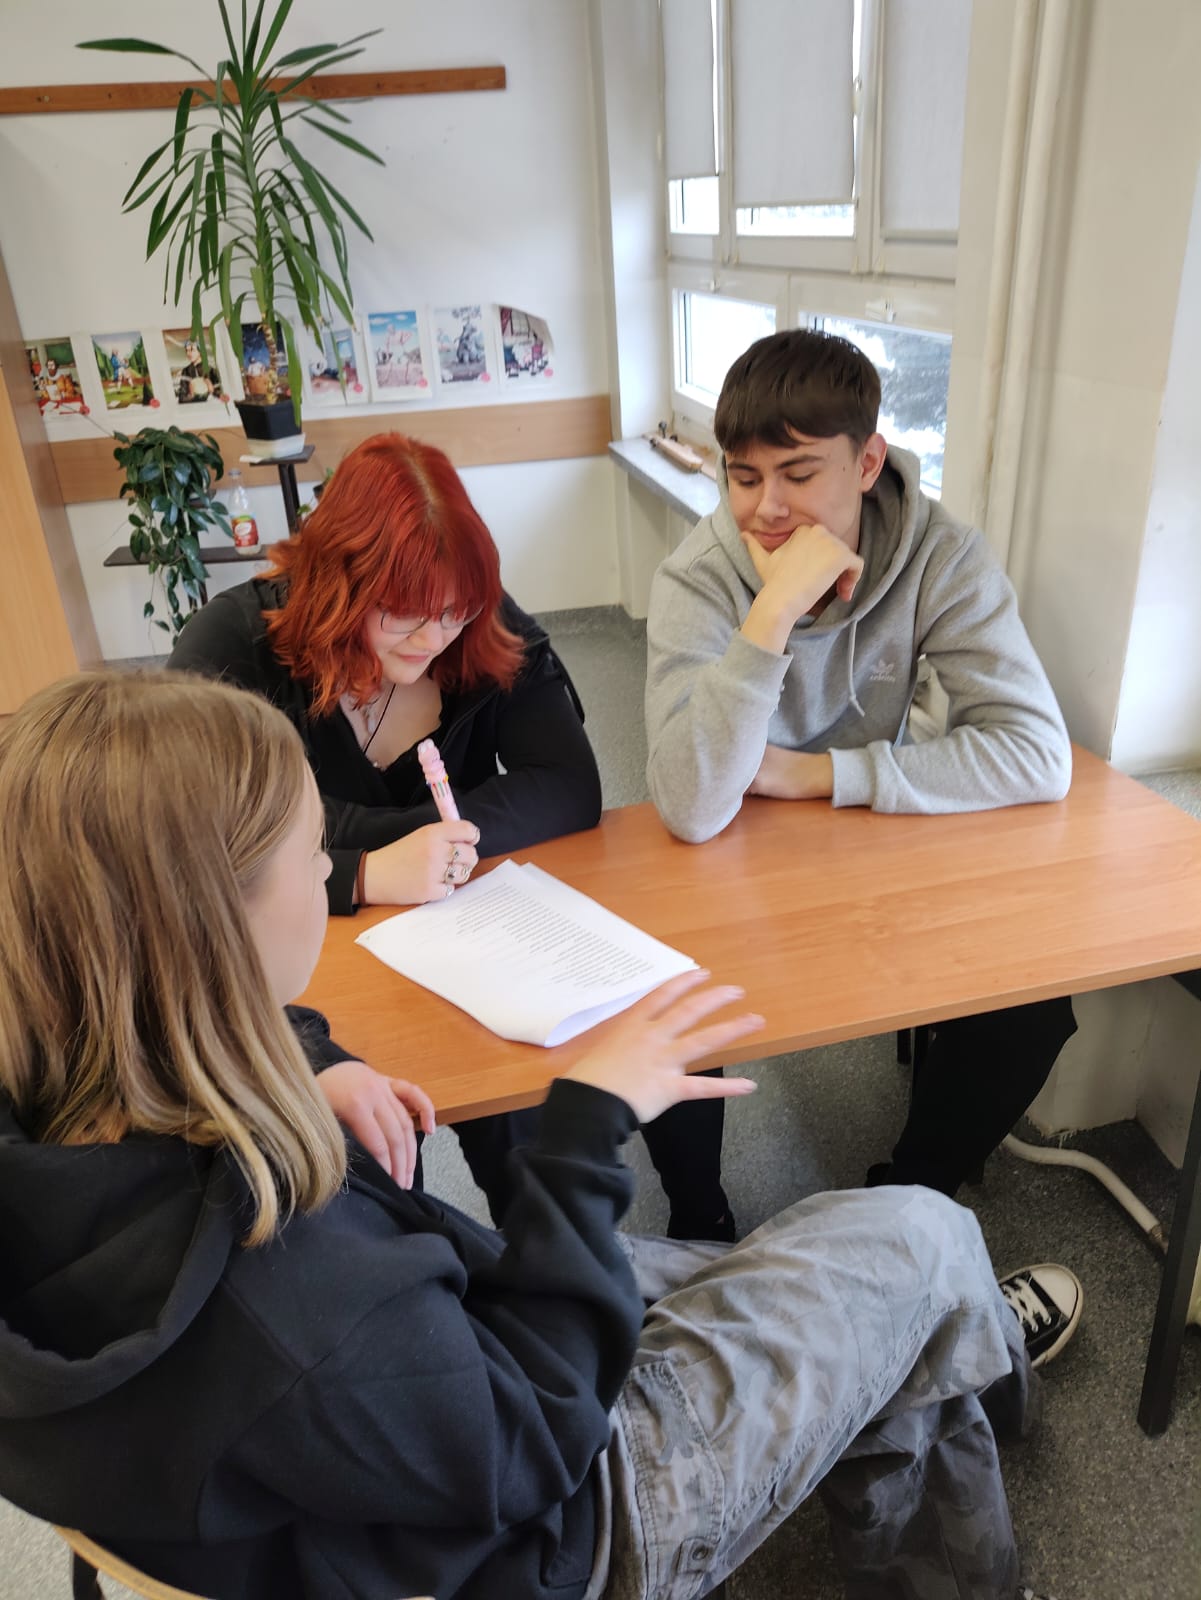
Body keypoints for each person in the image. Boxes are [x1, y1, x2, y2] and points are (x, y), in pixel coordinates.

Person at [0, 671, 1063, 1600]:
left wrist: (317, 1062)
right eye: (315, 853)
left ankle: (953, 1345)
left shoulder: (62, 1098)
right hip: (562, 1507)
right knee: (920, 1234)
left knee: (859, 1275)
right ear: (208, 929)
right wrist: (586, 1128)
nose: (330, 869)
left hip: (385, 1437)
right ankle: (980, 1357)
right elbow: (540, 1435)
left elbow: (233, 1022)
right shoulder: (292, 1302)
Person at [644, 328, 1081, 1344]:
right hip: (727, 854)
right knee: (667, 991)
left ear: (868, 461)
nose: (764, 507)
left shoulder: (940, 553)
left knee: (1030, 1004)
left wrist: (822, 774)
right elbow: (692, 803)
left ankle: (908, 1197)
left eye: (798, 474)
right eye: (742, 476)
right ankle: (701, 1224)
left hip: (872, 831)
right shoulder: (700, 573)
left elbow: (1035, 754)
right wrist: (772, 612)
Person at [166, 431, 709, 1238]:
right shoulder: (232, 647)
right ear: (337, 581)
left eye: (453, 612)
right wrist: (364, 870)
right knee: (377, 1132)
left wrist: (432, 843)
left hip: (466, 927)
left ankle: (690, 1219)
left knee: (576, 1055)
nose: (432, 637)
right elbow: (194, 836)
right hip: (298, 952)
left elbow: (569, 785)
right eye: (403, 614)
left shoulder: (476, 620)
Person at [176, 338, 221, 402]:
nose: (188, 353)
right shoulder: (186, 371)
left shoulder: (211, 370)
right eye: (187, 350)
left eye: (192, 350)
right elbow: (182, 397)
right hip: (193, 406)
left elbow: (221, 394)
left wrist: (212, 390)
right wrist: (191, 395)